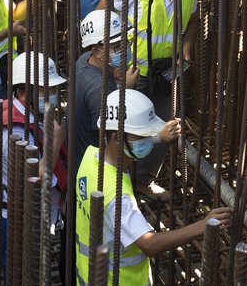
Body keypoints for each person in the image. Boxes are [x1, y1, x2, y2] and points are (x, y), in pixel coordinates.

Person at [75, 89, 231, 286]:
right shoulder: (116, 195)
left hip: (88, 280)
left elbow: (129, 148)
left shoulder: (91, 158)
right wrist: (202, 226)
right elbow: (149, 243)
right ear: (117, 136)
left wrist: (157, 138)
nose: (147, 140)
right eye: (143, 136)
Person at [97, 0, 199, 198]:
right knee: (127, 130)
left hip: (167, 72)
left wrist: (187, 46)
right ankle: (118, 182)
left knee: (166, 127)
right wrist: (111, 61)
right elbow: (101, 14)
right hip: (134, 73)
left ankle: (143, 180)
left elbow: (192, 21)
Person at [74, 10, 181, 188]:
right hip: (97, 170)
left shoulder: (84, 60)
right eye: (117, 46)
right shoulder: (101, 90)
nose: (124, 49)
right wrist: (159, 137)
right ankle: (140, 185)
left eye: (125, 42)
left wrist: (114, 73)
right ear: (97, 51)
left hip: (81, 154)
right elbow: (115, 142)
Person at [0, 51, 68, 269]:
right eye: (44, 90)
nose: (52, 95)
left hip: (33, 213)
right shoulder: (15, 131)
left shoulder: (25, 113)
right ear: (21, 92)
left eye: (53, 89)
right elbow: (35, 176)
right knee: (21, 272)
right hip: (20, 218)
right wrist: (55, 140)